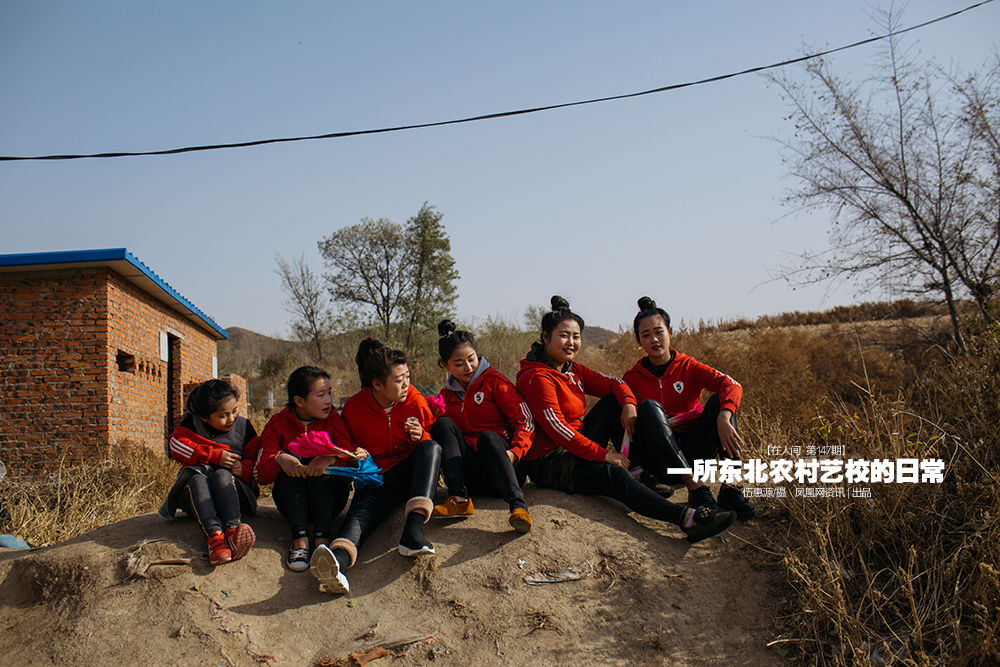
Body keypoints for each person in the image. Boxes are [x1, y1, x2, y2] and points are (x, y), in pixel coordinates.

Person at [515, 296, 736, 543]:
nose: (571, 343)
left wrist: (629, 406)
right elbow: (559, 431)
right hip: (551, 462)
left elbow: (616, 383)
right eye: (563, 336)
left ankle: (644, 473)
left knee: (612, 402)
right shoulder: (536, 377)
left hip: (574, 448)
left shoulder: (571, 369)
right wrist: (604, 455)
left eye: (576, 337)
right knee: (615, 475)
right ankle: (688, 519)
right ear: (546, 337)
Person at [309, 338, 443, 596]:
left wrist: (420, 437)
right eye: (398, 379)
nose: (406, 383)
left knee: (431, 447)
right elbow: (347, 449)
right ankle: (337, 566)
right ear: (377, 384)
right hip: (376, 478)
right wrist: (356, 455)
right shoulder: (355, 408)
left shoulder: (414, 399)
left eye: (407, 376)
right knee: (359, 518)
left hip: (409, 474)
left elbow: (428, 445)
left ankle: (413, 531)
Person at [624, 296, 755, 519]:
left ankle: (730, 487)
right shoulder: (632, 378)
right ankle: (695, 488)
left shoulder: (688, 366)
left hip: (694, 452)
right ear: (639, 341)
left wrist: (724, 417)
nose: (654, 339)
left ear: (670, 332)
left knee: (719, 402)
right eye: (646, 335)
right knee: (649, 408)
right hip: (661, 463)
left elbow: (731, 384)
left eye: (659, 332)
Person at [254, 366, 362, 572]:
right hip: (291, 503)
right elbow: (261, 475)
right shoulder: (276, 424)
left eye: (329, 393)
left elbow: (351, 461)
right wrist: (279, 459)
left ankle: (322, 539)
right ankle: (300, 541)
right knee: (291, 457)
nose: (329, 400)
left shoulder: (335, 421)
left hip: (331, 502)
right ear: (299, 401)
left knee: (319, 458)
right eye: (321, 395)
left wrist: (330, 458)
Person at [431, 319, 534, 533]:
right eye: (458, 364)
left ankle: (518, 507)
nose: (468, 367)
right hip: (475, 477)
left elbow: (525, 421)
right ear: (445, 365)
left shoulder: (495, 382)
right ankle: (459, 498)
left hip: (506, 467)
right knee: (443, 424)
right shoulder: (446, 396)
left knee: (488, 437)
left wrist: (514, 453)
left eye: (471, 359)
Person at [159, 379, 259, 565]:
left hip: (235, 495)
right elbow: (175, 446)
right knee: (196, 477)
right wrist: (213, 456)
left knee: (222, 475)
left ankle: (233, 531)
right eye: (223, 415)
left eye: (235, 411)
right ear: (205, 418)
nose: (231, 418)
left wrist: (243, 468)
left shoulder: (245, 427)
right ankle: (215, 537)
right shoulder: (192, 425)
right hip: (198, 499)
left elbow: (257, 462)